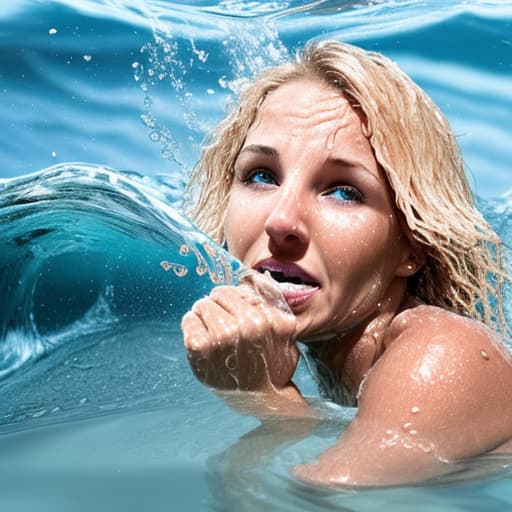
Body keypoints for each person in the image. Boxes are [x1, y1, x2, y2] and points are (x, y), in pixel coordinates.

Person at [181, 40, 512, 486]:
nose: (281, 221)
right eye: (261, 176)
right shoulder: (346, 349)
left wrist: (261, 395)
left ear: (411, 248)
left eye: (343, 191)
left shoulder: (444, 358)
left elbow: (306, 504)